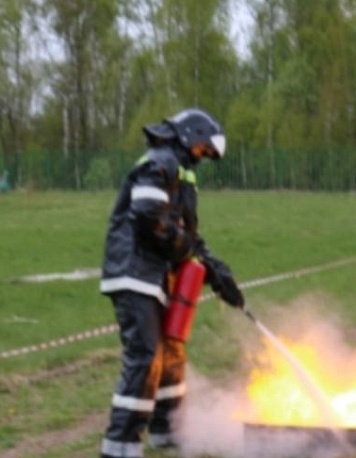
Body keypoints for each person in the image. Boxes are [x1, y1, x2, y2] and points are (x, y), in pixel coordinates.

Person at [98, 107, 245, 458]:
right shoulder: (159, 162)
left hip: (156, 276)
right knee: (145, 357)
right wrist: (185, 251)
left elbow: (186, 233)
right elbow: (149, 216)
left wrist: (215, 271)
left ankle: (167, 429)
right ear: (190, 136)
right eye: (203, 149)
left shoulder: (179, 171)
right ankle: (120, 444)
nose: (203, 157)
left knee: (172, 355)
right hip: (135, 274)